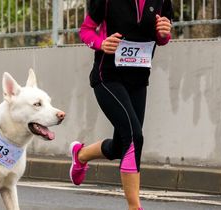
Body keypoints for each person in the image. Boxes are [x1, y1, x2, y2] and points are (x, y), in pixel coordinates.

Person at [69, 0, 173, 210]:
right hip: (107, 77)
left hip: (138, 80)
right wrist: (101, 43)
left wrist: (164, 34)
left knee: (121, 145)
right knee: (134, 137)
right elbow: (86, 30)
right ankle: (135, 207)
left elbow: (162, 37)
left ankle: (81, 155)